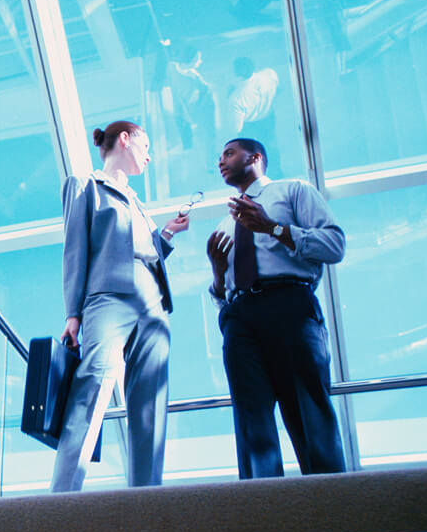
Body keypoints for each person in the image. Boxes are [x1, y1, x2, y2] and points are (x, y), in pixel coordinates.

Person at [52, 120, 189, 492]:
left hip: (152, 300)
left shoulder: (138, 203)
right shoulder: (86, 185)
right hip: (107, 296)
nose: (150, 155)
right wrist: (73, 313)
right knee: (93, 384)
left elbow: (145, 252)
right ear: (124, 140)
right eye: (145, 146)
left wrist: (167, 234)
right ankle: (62, 497)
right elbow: (75, 250)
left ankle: (146, 497)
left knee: (150, 400)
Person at [206, 137, 346, 478]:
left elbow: (334, 245)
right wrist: (218, 273)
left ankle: (335, 507)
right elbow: (221, 293)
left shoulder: (293, 191)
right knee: (251, 420)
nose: (220, 161)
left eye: (228, 153)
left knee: (307, 409)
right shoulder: (226, 222)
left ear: (255, 157)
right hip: (239, 318)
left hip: (290, 307)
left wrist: (272, 227)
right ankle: (263, 511)